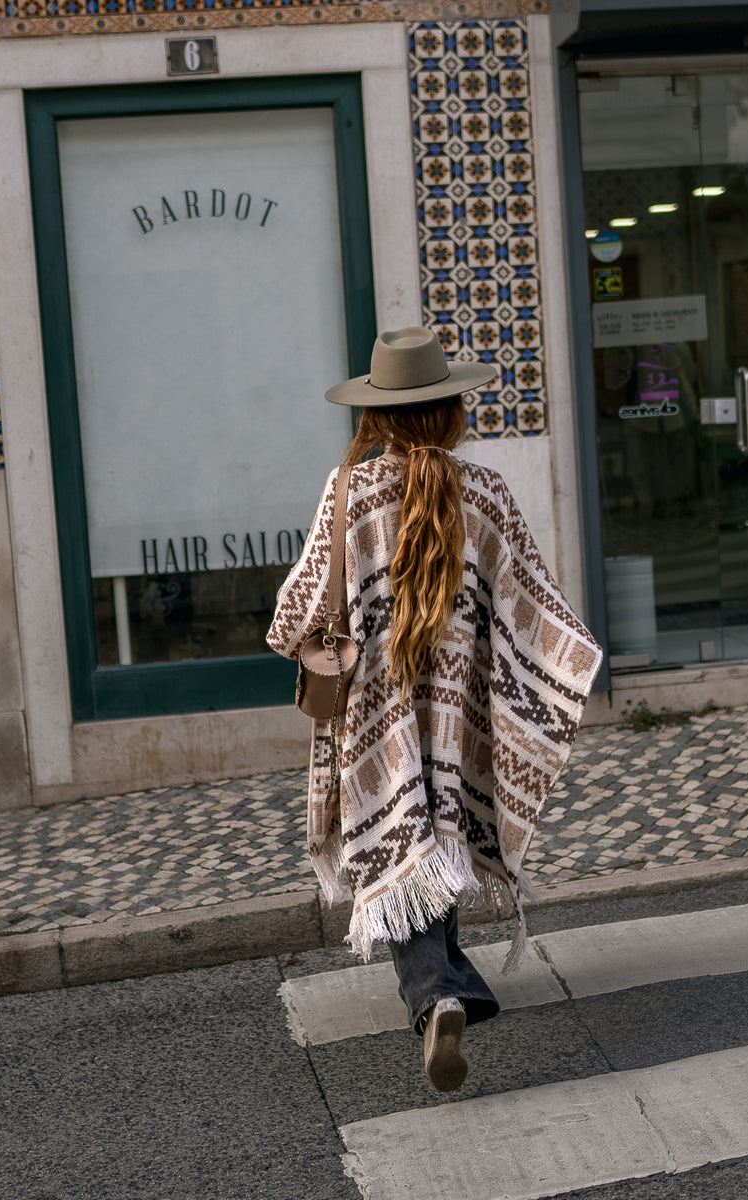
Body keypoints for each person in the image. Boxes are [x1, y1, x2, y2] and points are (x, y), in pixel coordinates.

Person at [267, 327, 602, 1093]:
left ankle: (436, 994)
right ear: (451, 411)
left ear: (379, 415)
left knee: (399, 838)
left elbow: (294, 615)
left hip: (377, 716)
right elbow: (535, 611)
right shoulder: (484, 494)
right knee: (440, 830)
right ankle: (448, 983)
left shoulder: (347, 492)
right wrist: (560, 672)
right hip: (461, 708)